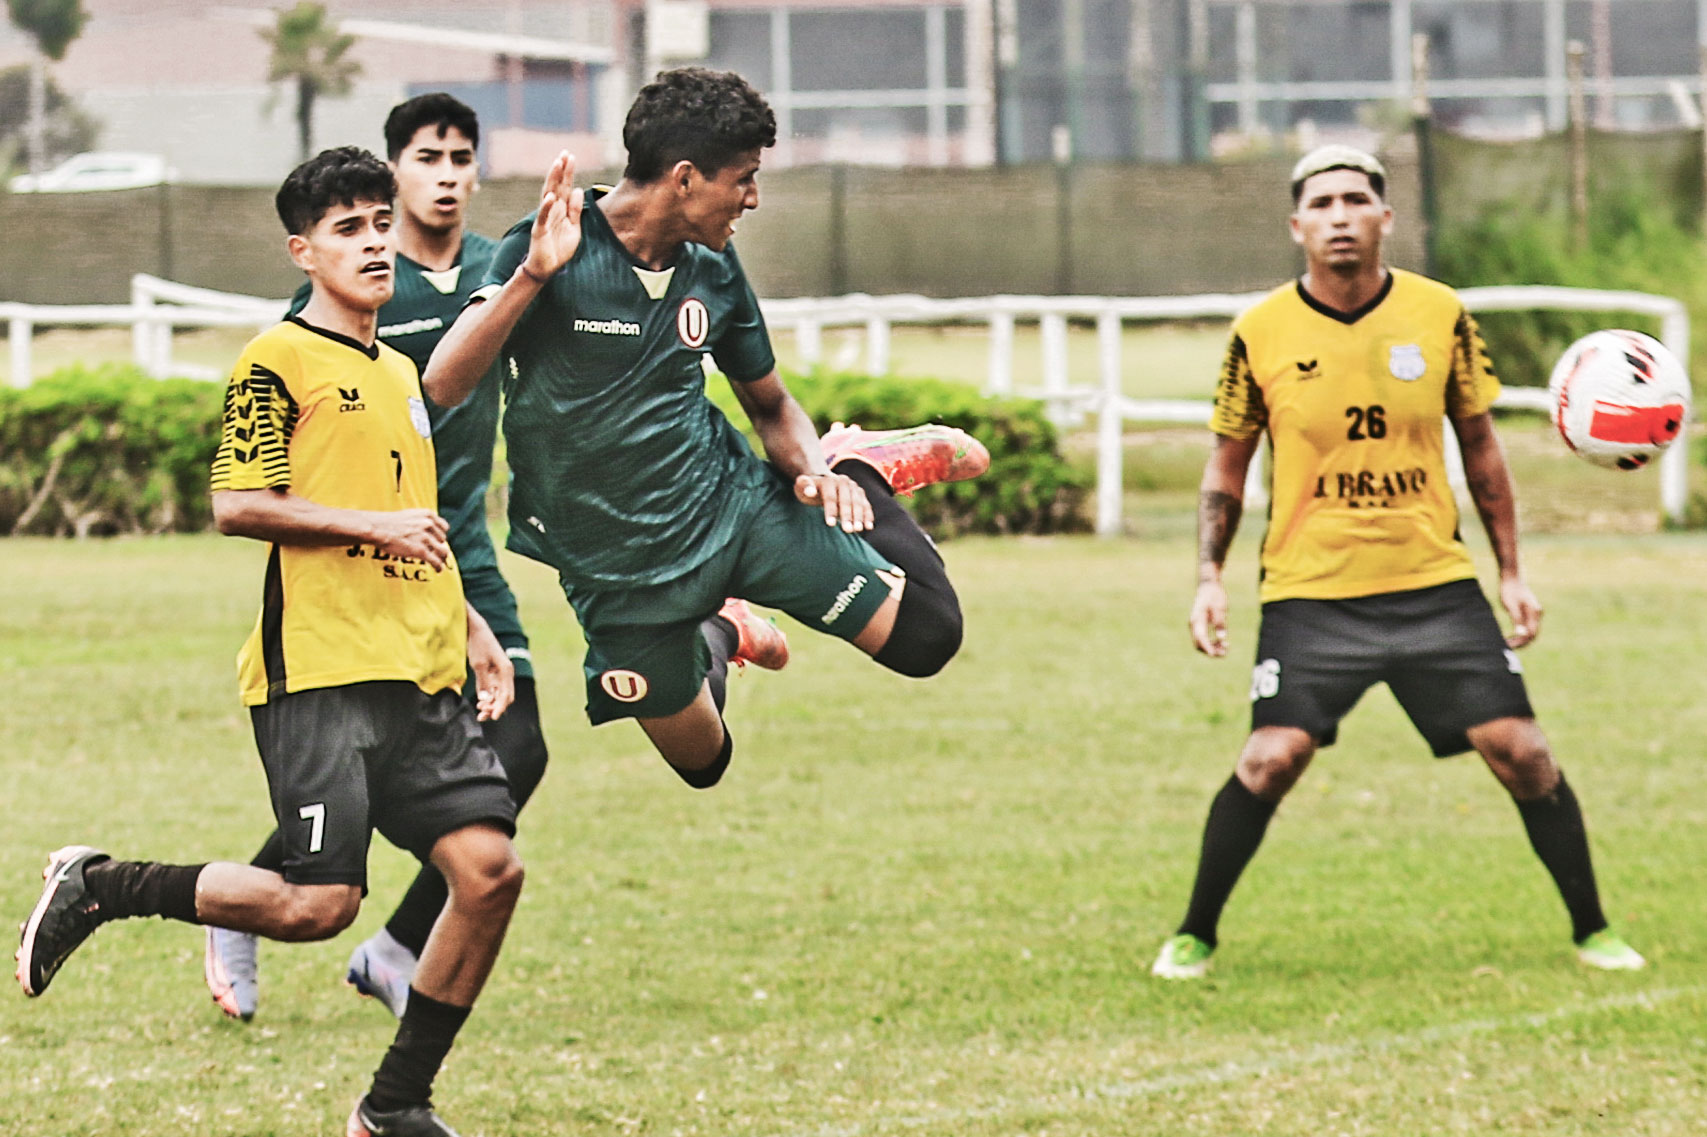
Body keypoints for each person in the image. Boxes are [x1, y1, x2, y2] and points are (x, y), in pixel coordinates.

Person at [16, 147, 526, 1137]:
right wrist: (373, 530)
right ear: (304, 251)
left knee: (490, 874)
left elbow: (411, 511)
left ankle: (395, 1106)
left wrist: (473, 627)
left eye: (382, 223)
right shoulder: (273, 361)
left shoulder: (400, 372)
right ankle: (101, 885)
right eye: (349, 229)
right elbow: (237, 503)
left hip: (418, 672)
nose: (375, 241)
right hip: (322, 674)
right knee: (318, 906)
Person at [1150, 145, 1645, 980]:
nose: (1339, 215)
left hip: (1433, 585)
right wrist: (1208, 577)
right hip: (1310, 590)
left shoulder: (1438, 313)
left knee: (1521, 750)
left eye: (1355, 199)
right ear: (1296, 225)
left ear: (1385, 217)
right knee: (1269, 758)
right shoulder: (1260, 330)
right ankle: (1194, 931)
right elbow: (1225, 466)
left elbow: (1482, 450)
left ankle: (1593, 928)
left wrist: (1511, 572)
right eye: (1321, 203)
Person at [423, 67, 986, 786]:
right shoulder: (549, 247)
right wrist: (532, 275)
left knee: (929, 638)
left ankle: (860, 468)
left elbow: (771, 404)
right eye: (744, 178)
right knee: (702, 760)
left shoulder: (713, 268)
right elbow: (444, 381)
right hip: (611, 572)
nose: (752, 197)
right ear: (685, 178)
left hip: (734, 513)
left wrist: (814, 470)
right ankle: (724, 627)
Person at [203, 92, 557, 1024]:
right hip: (363, 576)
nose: (446, 176)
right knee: (337, 858)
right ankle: (255, 895)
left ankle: (395, 952)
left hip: (454, 552)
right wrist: (370, 527)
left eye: (460, 158)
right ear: (399, 171)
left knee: (516, 749)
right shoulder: (314, 322)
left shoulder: (493, 271)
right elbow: (249, 487)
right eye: (427, 159)